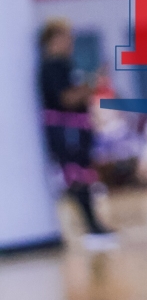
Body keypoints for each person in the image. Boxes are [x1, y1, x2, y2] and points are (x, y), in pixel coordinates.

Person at [39, 18, 117, 248]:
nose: (70, 42)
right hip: (67, 131)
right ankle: (91, 227)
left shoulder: (66, 65)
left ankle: (94, 224)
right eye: (66, 37)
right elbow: (66, 99)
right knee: (76, 177)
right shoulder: (52, 68)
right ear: (53, 40)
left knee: (85, 176)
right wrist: (92, 83)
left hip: (76, 130)